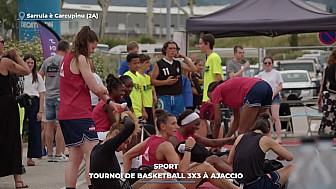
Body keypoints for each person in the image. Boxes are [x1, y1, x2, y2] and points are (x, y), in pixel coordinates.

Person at [58, 26, 124, 188]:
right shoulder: (81, 59)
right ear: (86, 43)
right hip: (79, 113)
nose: (94, 51)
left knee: (75, 157)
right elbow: (95, 87)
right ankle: (92, 186)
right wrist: (105, 93)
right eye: (93, 47)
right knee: (93, 154)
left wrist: (110, 102)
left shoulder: (67, 58)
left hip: (66, 113)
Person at [123, 112, 239, 189]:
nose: (177, 127)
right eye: (173, 124)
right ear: (163, 126)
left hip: (154, 180)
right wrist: (188, 148)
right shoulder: (166, 145)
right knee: (205, 167)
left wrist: (130, 180)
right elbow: (182, 171)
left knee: (204, 163)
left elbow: (127, 156)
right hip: (167, 183)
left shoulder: (149, 140)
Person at [228, 113, 295, 188]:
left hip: (236, 183)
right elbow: (290, 157)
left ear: (253, 127)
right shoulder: (265, 140)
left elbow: (230, 161)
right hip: (255, 185)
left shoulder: (240, 137)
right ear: (268, 130)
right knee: (293, 167)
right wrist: (281, 155)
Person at [169, 110, 235, 173]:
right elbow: (177, 164)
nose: (198, 127)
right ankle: (238, 176)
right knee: (213, 158)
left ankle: (240, 173)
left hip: (193, 165)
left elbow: (213, 143)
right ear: (187, 123)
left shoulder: (192, 135)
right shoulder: (174, 139)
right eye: (196, 124)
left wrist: (231, 139)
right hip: (185, 170)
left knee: (224, 158)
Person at [0, 48, 30, 188]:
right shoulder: (4, 62)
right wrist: (17, 55)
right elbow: (26, 70)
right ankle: (18, 180)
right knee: (13, 140)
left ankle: (17, 179)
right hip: (6, 104)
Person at [208, 77, 272, 138]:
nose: (211, 100)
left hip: (254, 88)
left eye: (209, 97)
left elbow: (217, 121)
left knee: (242, 133)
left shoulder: (216, 91)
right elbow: (236, 120)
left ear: (211, 92)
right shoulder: (229, 91)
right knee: (256, 129)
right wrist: (226, 139)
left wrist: (215, 142)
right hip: (267, 87)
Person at [39, 41, 69, 162]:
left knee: (49, 126)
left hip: (48, 96)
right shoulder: (65, 61)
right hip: (60, 96)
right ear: (67, 50)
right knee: (60, 126)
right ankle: (58, 154)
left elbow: (40, 75)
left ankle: (50, 153)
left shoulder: (47, 61)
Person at [151, 40, 197, 117]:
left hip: (177, 96)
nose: (173, 50)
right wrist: (166, 82)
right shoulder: (159, 64)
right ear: (165, 50)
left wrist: (184, 57)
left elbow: (193, 69)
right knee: (164, 118)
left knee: (179, 118)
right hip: (164, 96)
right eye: (170, 48)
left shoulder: (178, 63)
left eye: (174, 49)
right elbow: (152, 81)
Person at [197, 34, 224, 138]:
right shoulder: (209, 58)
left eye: (201, 43)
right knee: (211, 120)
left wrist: (214, 96)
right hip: (207, 96)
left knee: (205, 120)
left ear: (207, 44)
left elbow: (219, 77)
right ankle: (214, 143)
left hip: (211, 96)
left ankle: (208, 143)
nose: (199, 46)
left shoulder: (214, 57)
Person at [23, 54, 46, 166]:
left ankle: (31, 156)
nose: (30, 65)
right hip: (23, 102)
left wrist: (40, 111)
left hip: (35, 102)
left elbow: (42, 94)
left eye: (32, 63)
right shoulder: (20, 75)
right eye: (28, 62)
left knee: (34, 130)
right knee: (20, 130)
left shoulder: (38, 77)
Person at [257, 56, 283, 143]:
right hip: (265, 97)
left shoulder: (276, 73)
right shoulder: (260, 74)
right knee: (266, 118)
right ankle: (268, 136)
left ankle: (279, 137)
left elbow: (280, 86)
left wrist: (274, 94)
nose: (267, 65)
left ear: (272, 64)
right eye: (265, 63)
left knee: (275, 117)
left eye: (269, 63)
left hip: (274, 96)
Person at [92, 74, 125, 141]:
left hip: (101, 132)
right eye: (122, 90)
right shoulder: (108, 103)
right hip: (99, 133)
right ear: (113, 90)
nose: (124, 93)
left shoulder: (110, 101)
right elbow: (114, 123)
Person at [318, 49, 336, 136]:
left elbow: (323, 82)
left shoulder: (328, 67)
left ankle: (325, 133)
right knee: (333, 115)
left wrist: (319, 96)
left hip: (326, 94)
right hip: (333, 95)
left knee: (327, 115)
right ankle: (331, 132)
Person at [124, 53, 146, 119]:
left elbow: (141, 94)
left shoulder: (139, 77)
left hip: (139, 111)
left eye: (138, 63)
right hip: (131, 110)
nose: (137, 65)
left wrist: (143, 110)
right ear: (129, 64)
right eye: (135, 63)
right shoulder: (126, 76)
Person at [138, 53, 156, 125]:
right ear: (140, 64)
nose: (149, 64)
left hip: (149, 105)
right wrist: (143, 110)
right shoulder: (138, 77)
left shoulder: (148, 77)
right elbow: (140, 94)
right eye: (147, 62)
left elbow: (151, 89)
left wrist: (154, 95)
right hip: (144, 106)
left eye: (149, 62)